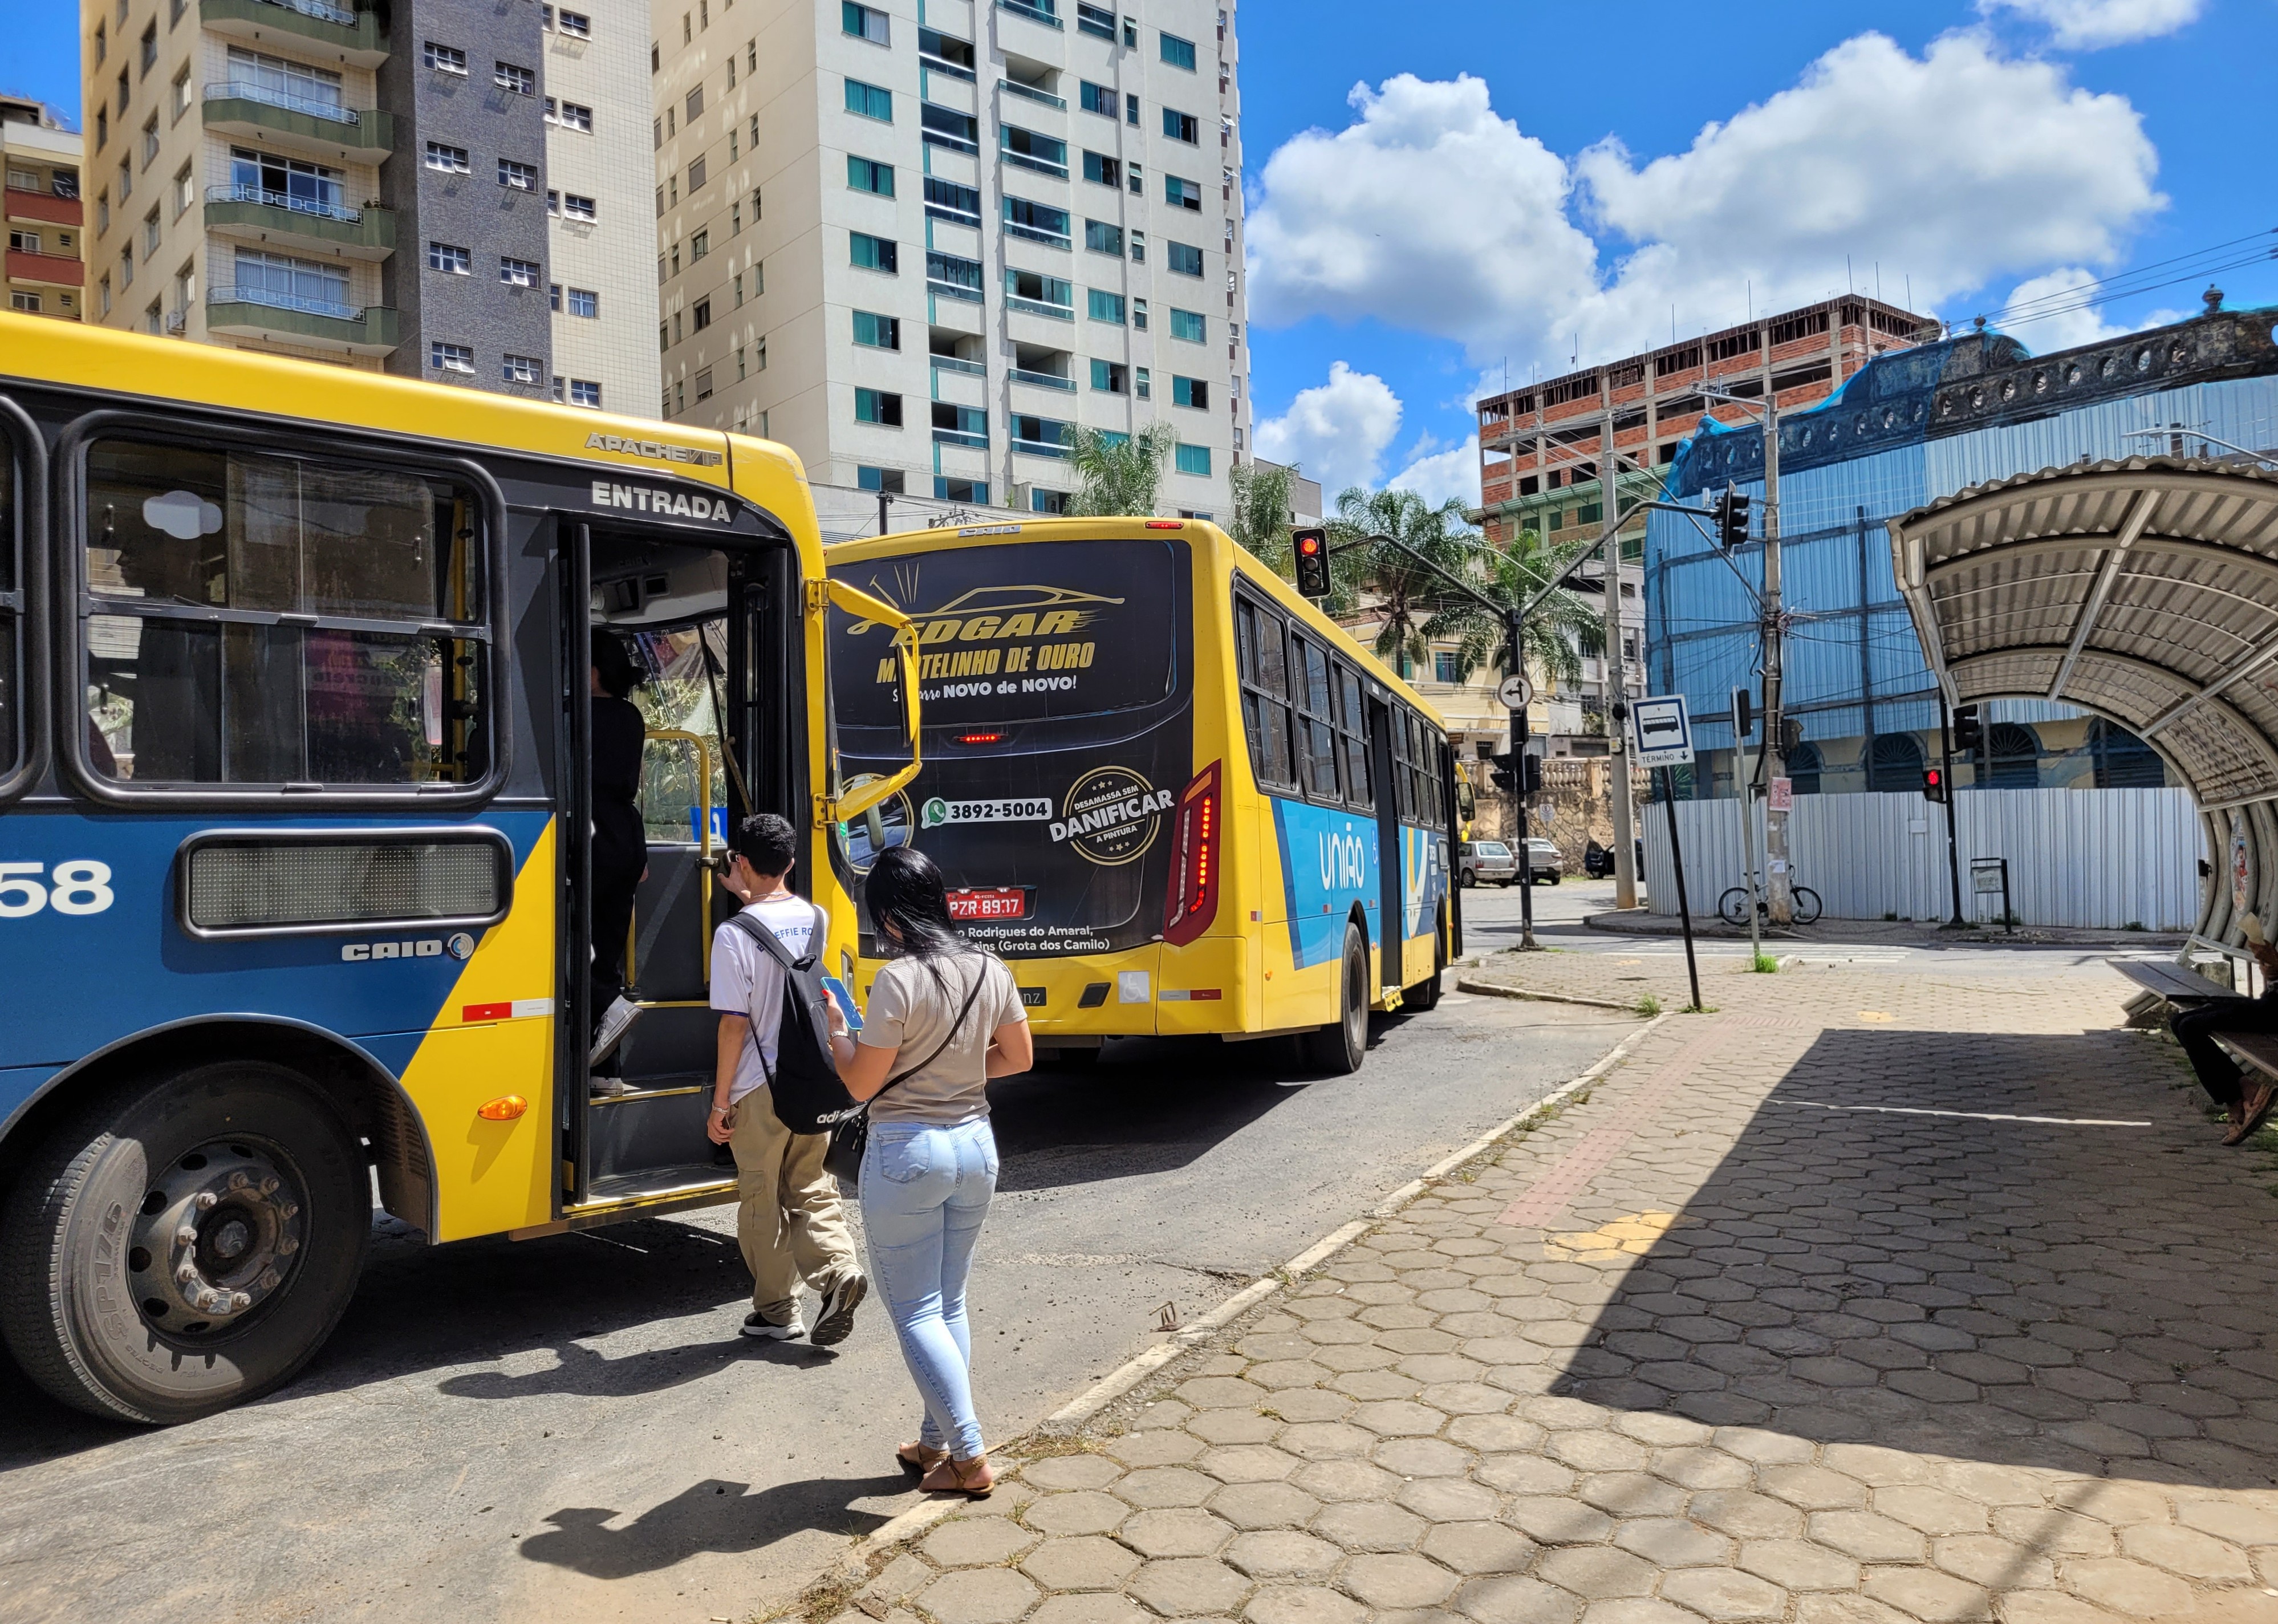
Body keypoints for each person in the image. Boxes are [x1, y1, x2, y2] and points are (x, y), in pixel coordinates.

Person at [830, 846, 1032, 1498]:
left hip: (908, 1152)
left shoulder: (897, 980)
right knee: (947, 1302)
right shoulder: (988, 967)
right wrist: (962, 1076)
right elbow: (1018, 1058)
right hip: (976, 1145)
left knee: (915, 1311)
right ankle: (934, 1444)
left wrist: (837, 1033)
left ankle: (969, 1456)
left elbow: (862, 1082)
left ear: (888, 918)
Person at [703, 813, 869, 1345]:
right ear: (792, 863)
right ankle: (839, 1269)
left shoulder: (733, 935)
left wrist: (720, 1101)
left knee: (761, 1196)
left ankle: (778, 1310)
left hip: (758, 1086)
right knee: (811, 1184)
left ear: (740, 863)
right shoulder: (817, 918)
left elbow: (733, 1024)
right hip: (813, 1078)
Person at [588, 630, 649, 1081]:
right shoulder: (629, 717)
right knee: (605, 951)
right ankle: (605, 1070)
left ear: (590, 672)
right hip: (625, 837)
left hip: (586, 834)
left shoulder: (573, 716)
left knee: (576, 951)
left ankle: (608, 1008)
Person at [2170, 939, 2278, 1145]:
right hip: (2271, 1004)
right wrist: (2272, 971)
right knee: (2179, 1022)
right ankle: (2245, 1089)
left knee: (2190, 1027)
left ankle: (2237, 1099)